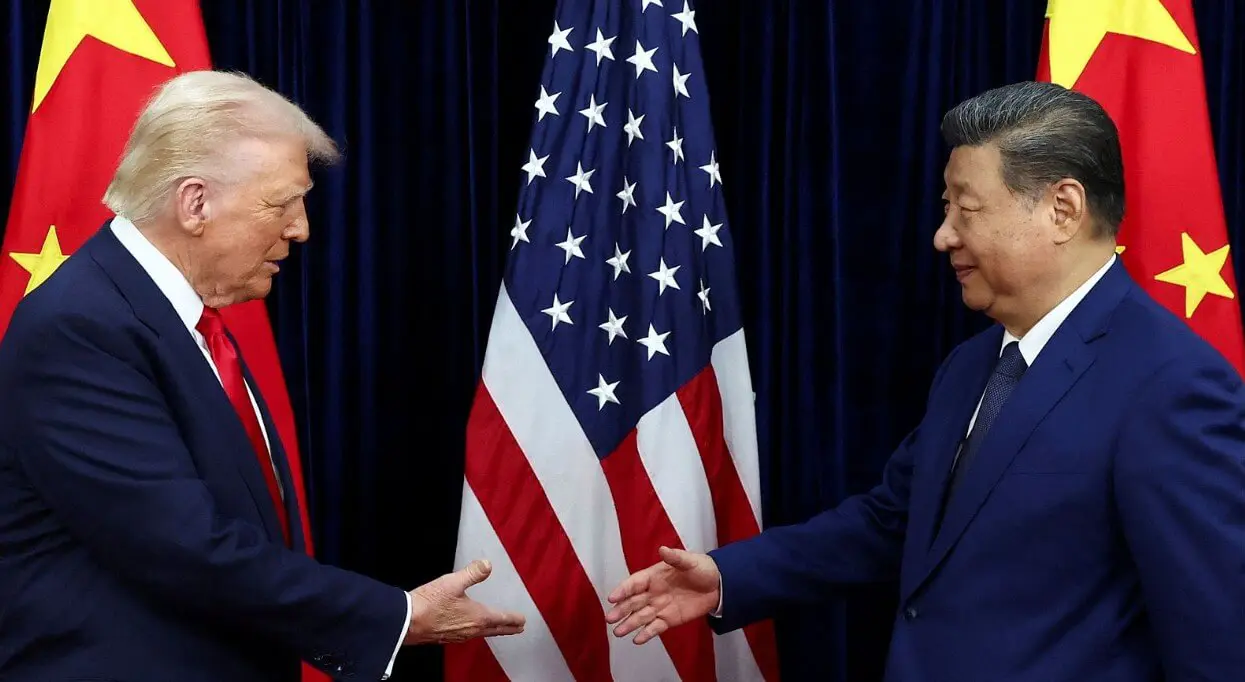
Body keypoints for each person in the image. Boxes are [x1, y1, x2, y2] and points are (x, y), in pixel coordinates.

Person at [604, 80, 1245, 681]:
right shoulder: (971, 366)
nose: (943, 237)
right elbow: (893, 522)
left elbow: (1215, 639)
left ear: (1064, 208)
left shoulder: (1171, 385)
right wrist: (729, 577)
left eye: (966, 209)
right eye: (946, 209)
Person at [0, 70, 523, 682]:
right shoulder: (82, 327)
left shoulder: (175, 317)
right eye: (281, 203)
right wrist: (395, 617)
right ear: (195, 202)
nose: (301, 228)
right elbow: (183, 546)